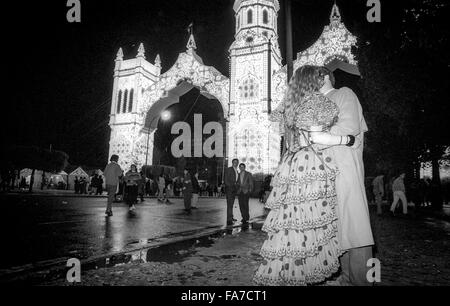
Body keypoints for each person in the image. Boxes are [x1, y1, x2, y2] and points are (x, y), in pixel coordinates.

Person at [254, 66, 344, 286]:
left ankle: (291, 269)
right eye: (319, 77)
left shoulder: (288, 103)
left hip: (291, 163)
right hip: (310, 163)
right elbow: (316, 136)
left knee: (291, 220)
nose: (323, 79)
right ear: (312, 80)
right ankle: (306, 269)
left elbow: (280, 129)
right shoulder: (315, 101)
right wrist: (345, 140)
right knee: (311, 220)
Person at [310, 67, 375, 286]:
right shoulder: (313, 103)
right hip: (324, 176)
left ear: (326, 76)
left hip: (346, 171)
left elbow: (349, 127)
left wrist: (316, 135)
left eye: (312, 77)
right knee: (338, 232)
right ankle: (345, 280)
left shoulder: (344, 93)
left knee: (357, 231)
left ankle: (366, 281)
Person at [224, 158, 240, 226]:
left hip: (234, 190)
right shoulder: (229, 169)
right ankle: (229, 219)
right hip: (230, 189)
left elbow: (236, 181)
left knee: (231, 204)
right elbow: (226, 180)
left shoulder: (236, 170)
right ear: (232, 162)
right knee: (229, 205)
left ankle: (231, 217)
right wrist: (230, 187)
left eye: (237, 162)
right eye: (234, 162)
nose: (236, 163)